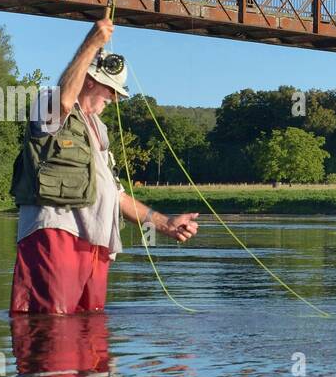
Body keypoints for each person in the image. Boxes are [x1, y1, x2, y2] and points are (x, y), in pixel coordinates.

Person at [10, 17, 199, 314]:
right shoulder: (48, 104)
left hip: (96, 246)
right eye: (110, 90)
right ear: (89, 80)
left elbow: (117, 195)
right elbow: (63, 100)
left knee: (91, 341)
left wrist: (165, 224)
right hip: (57, 238)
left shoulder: (100, 131)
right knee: (51, 334)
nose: (114, 99)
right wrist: (92, 43)